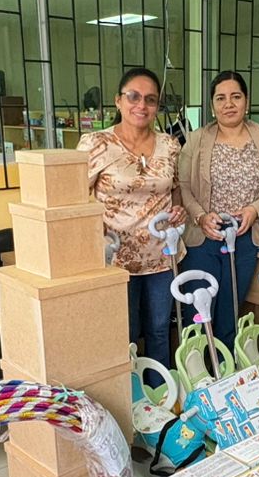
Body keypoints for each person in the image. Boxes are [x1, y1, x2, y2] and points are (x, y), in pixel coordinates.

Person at [78, 66, 182, 363]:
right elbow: (76, 199)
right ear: (118, 101)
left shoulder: (170, 144)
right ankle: (130, 389)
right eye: (133, 96)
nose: (141, 105)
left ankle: (160, 388)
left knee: (159, 329)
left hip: (162, 254)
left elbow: (175, 188)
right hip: (115, 256)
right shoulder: (95, 144)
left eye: (150, 99)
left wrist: (179, 209)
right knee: (126, 332)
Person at [179, 69, 259, 344]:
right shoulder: (196, 139)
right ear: (212, 105)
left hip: (245, 236)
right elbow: (184, 186)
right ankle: (197, 366)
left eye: (235, 97)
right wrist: (200, 217)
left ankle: (225, 367)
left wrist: (255, 210)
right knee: (199, 313)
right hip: (204, 237)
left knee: (230, 311)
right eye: (221, 98)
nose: (229, 104)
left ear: (246, 101)